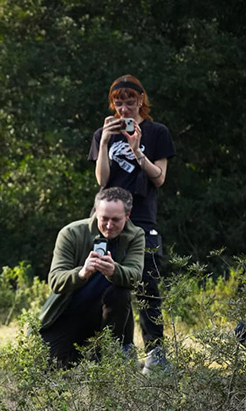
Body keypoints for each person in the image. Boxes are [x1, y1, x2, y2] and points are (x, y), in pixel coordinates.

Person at [90, 75, 175, 370]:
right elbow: (102, 180)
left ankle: (155, 354)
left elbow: (160, 178)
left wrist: (137, 149)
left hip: (141, 218)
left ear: (141, 101)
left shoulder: (157, 132)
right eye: (118, 102)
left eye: (129, 102)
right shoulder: (105, 133)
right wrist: (103, 142)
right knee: (104, 285)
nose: (124, 109)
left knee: (148, 287)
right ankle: (116, 349)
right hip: (107, 218)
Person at [38, 188, 144, 369]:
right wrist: (82, 273)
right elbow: (55, 281)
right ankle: (84, 356)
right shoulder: (71, 233)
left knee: (121, 292)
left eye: (116, 220)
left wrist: (114, 271)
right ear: (96, 213)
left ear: (127, 215)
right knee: (52, 370)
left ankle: (113, 354)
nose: (109, 225)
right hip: (68, 313)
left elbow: (135, 278)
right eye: (104, 219)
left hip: (106, 315)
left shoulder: (135, 235)